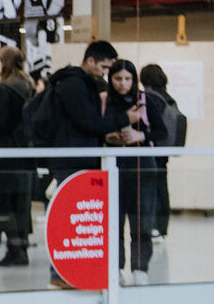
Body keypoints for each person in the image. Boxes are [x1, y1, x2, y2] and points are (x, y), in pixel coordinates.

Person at [38, 40, 145, 192]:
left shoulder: (81, 83)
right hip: (72, 161)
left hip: (77, 158)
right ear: (90, 61)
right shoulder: (74, 84)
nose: (106, 72)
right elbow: (89, 122)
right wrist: (125, 119)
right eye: (104, 67)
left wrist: (105, 137)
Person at [106, 60, 170, 285]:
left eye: (127, 79)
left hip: (143, 166)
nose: (123, 84)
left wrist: (140, 136)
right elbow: (96, 128)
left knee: (142, 219)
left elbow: (162, 132)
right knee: (114, 219)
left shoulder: (146, 100)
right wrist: (109, 137)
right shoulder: (106, 101)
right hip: (114, 167)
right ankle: (115, 266)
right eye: (118, 79)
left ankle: (140, 267)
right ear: (111, 79)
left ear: (134, 80)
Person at [0, 45, 36, 266]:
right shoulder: (29, 84)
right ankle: (22, 247)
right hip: (26, 152)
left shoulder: (3, 88)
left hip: (7, 152)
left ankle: (14, 248)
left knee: (3, 200)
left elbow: (2, 122)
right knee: (22, 202)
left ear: (4, 62)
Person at [140, 63, 185, 239]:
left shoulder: (150, 97)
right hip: (165, 149)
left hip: (153, 148)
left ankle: (152, 226)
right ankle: (162, 228)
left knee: (150, 189)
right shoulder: (168, 97)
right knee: (162, 187)